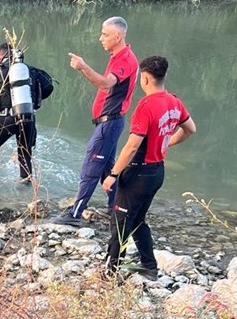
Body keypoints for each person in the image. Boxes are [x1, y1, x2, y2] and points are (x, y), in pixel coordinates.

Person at [102, 54, 196, 281]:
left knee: (120, 222)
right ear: (164, 76)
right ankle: (149, 267)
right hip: (156, 172)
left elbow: (132, 146)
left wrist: (113, 174)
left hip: (138, 173)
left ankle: (110, 273)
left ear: (144, 78)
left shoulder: (146, 106)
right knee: (137, 220)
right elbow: (190, 129)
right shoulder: (174, 102)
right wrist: (167, 142)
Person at [60, 16, 139, 226]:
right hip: (110, 122)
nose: (100, 38)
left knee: (91, 165)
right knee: (107, 168)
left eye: (105, 34)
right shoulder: (118, 56)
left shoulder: (126, 59)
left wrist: (83, 67)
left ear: (118, 36)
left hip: (110, 122)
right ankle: (115, 209)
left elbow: (105, 84)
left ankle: (75, 214)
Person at [0, 41, 54, 184]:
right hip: (28, 116)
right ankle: (26, 185)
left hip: (6, 119)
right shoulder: (31, 70)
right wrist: (32, 98)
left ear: (0, 57)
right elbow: (48, 87)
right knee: (25, 153)